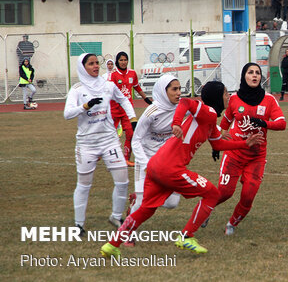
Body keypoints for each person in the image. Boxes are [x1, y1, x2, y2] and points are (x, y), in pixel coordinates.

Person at [100, 81, 263, 258]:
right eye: (225, 92)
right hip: (170, 167)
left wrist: (244, 143)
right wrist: (176, 123)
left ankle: (112, 245)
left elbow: (218, 143)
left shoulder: (209, 120)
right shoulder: (206, 111)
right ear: (217, 96)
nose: (228, 96)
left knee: (147, 208)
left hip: (156, 165)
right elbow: (185, 102)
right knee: (212, 194)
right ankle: (187, 236)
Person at [65, 53, 137, 236]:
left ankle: (115, 216)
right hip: (87, 144)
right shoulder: (76, 89)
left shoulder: (108, 85)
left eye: (97, 63)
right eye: (91, 64)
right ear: (83, 67)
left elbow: (124, 100)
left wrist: (133, 118)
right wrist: (85, 106)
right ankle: (78, 225)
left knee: (123, 181)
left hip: (109, 140)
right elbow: (67, 114)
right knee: (84, 184)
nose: (96, 66)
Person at [214, 63, 287, 235]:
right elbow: (223, 124)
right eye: (250, 72)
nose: (254, 75)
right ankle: (206, 209)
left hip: (256, 157)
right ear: (244, 76)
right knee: (224, 192)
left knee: (248, 196)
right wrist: (217, 144)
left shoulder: (269, 100)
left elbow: (282, 124)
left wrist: (264, 123)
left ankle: (232, 224)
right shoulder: (233, 99)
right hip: (234, 154)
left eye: (257, 73)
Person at [127, 75, 182, 230]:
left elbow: (201, 118)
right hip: (145, 158)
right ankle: (127, 235)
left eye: (180, 89)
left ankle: (143, 198)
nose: (179, 93)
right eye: (174, 89)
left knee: (172, 203)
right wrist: (145, 164)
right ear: (164, 91)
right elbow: (136, 140)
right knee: (141, 202)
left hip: (166, 161)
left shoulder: (181, 108)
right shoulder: (152, 111)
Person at [109, 52, 152, 166]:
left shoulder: (132, 73)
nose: (123, 62)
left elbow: (137, 87)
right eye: (121, 60)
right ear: (117, 61)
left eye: (125, 60)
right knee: (109, 135)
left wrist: (146, 99)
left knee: (131, 134)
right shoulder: (113, 75)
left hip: (128, 111)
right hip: (114, 110)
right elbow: (107, 91)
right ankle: (105, 155)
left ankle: (126, 159)